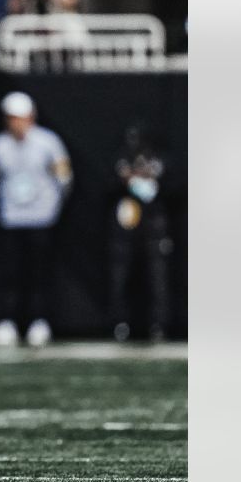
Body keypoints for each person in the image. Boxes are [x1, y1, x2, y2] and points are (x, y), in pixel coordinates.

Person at [0, 92, 72, 347]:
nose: (17, 123)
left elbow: (64, 178)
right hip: (11, 218)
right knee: (10, 274)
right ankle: (8, 322)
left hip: (42, 219)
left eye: (21, 118)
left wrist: (51, 206)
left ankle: (39, 322)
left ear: (31, 117)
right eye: (13, 118)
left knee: (40, 274)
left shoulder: (48, 142)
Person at [109, 125, 171, 342]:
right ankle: (121, 323)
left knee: (156, 278)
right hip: (126, 226)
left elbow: (171, 186)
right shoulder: (121, 160)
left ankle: (158, 324)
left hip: (153, 228)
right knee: (122, 274)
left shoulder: (161, 160)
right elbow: (114, 184)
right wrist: (129, 181)